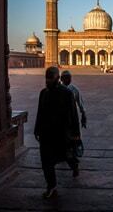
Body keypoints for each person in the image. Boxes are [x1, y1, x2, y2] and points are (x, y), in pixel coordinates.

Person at [34, 66, 81, 199]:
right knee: (46, 161)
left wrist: (76, 133)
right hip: (46, 134)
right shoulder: (44, 93)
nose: (47, 81)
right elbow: (40, 112)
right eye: (46, 78)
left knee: (66, 154)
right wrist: (37, 129)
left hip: (61, 133)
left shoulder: (66, 94)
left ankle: (75, 165)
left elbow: (73, 114)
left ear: (57, 78)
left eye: (50, 78)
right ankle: (51, 186)